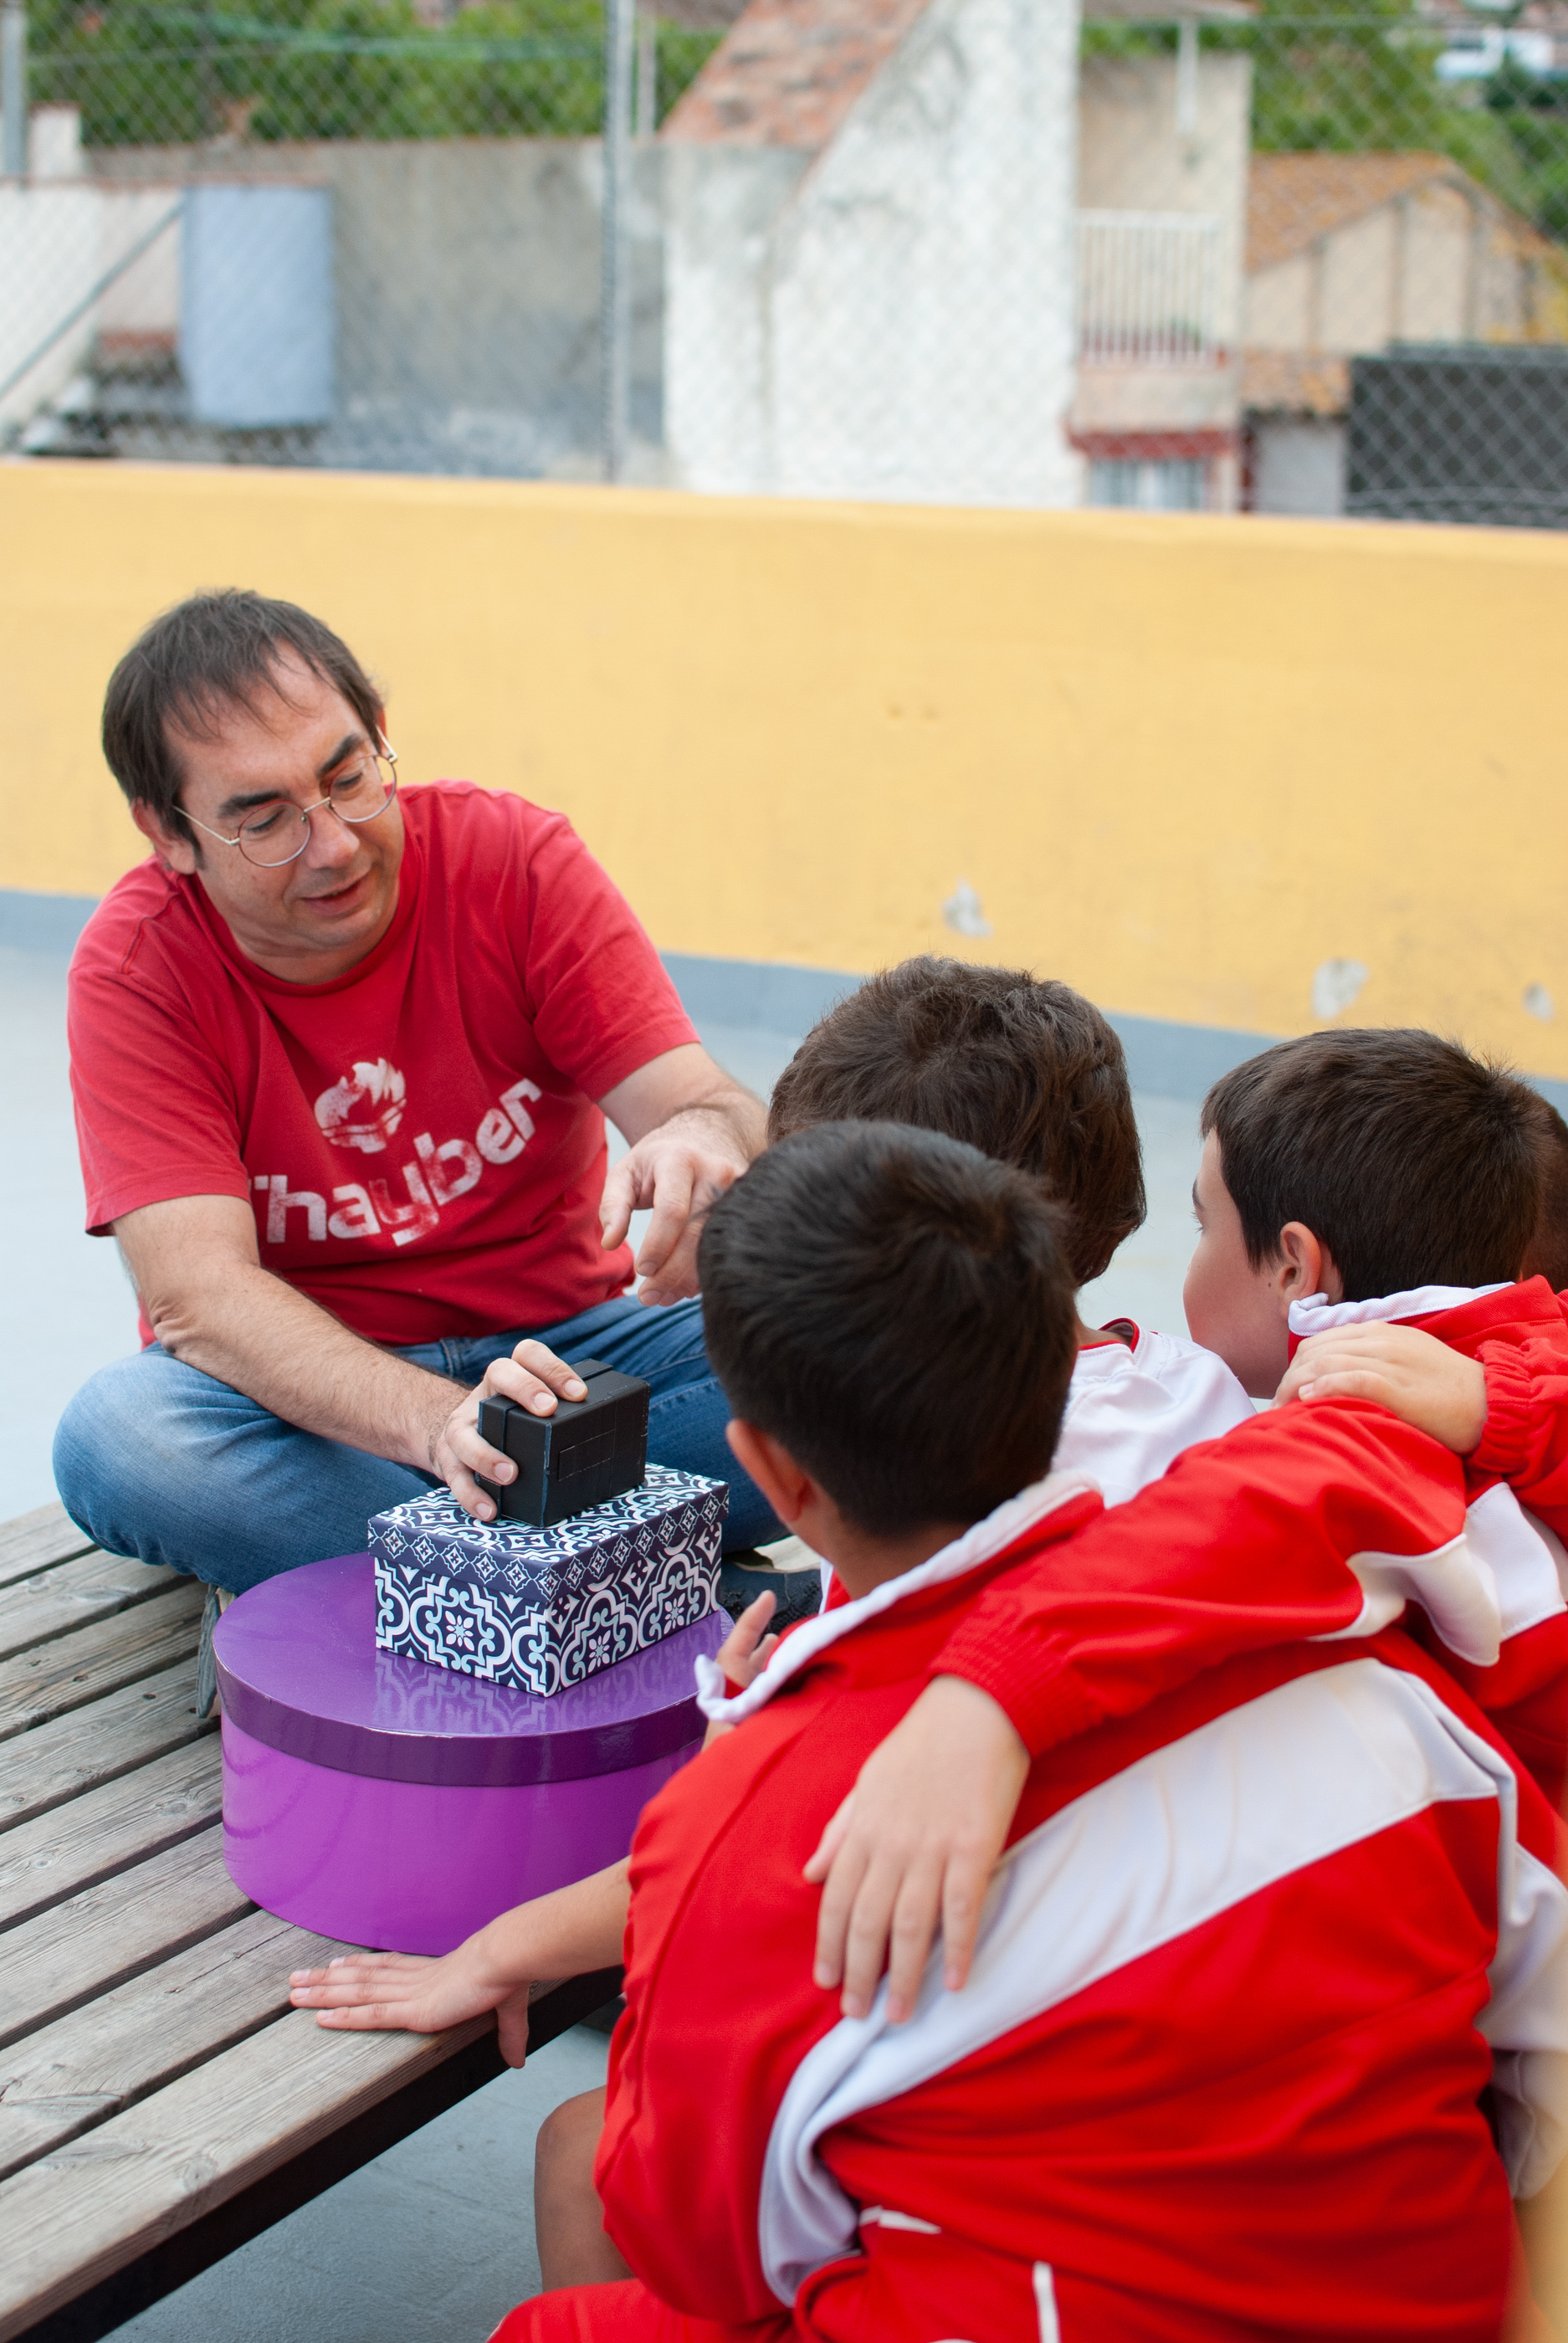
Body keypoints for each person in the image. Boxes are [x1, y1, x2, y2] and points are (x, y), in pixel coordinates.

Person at [484, 1123, 1566, 2341]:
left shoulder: (750, 1821)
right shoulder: (1379, 1676)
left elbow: (713, 2258)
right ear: (1063, 1369)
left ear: (772, 1479)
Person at [803, 1027, 1568, 2035]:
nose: (1190, 1254)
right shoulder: (1507, 1356)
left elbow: (1236, 1515)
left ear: (1295, 1265)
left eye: (1203, 1223)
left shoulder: (1369, 1414)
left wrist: (980, 1696)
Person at [51, 592, 781, 1641]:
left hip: (573, 1359)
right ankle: (631, 1570)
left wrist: (701, 1144)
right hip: (312, 1407)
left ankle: (401, 1580)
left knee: (867, 1345)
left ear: (380, 734)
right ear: (169, 835)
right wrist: (447, 1425)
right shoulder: (138, 968)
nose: (334, 844)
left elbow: (709, 1103)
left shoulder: (514, 860)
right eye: (264, 820)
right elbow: (199, 1300)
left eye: (349, 778)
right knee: (125, 1442)